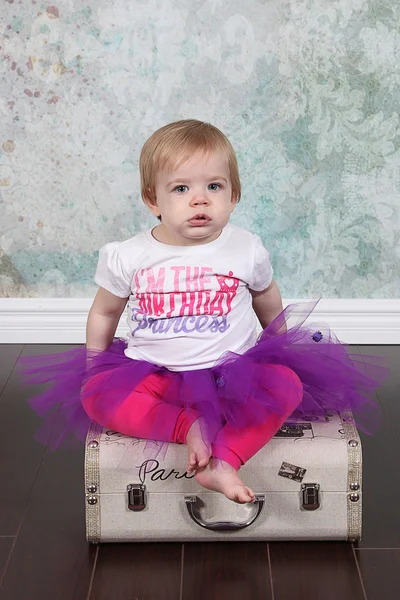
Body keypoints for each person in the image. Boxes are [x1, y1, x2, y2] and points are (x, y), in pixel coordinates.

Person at [21, 119, 387, 504]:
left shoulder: (245, 248)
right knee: (95, 395)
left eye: (214, 186)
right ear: (153, 200)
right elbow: (104, 313)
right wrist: (95, 361)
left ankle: (225, 461)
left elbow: (266, 295)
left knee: (286, 386)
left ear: (233, 195)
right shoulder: (128, 255)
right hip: (156, 373)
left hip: (232, 373)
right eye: (181, 188)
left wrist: (279, 341)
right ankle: (188, 426)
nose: (200, 199)